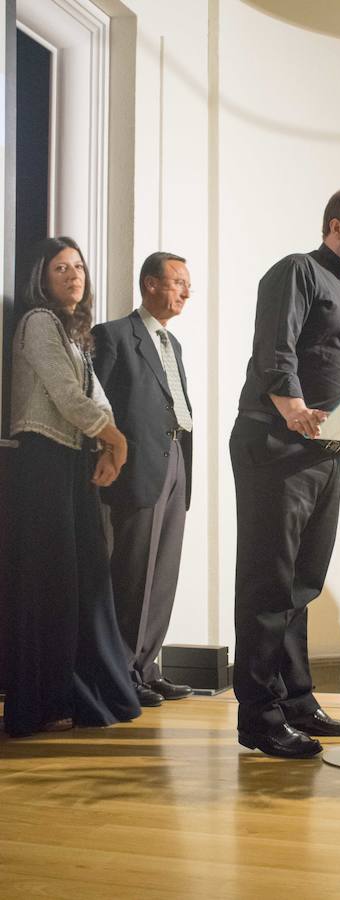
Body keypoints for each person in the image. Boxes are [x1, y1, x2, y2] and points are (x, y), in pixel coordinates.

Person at [230, 187, 340, 759]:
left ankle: (297, 700)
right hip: (275, 445)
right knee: (267, 583)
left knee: (302, 585)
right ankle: (259, 715)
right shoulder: (298, 272)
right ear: (337, 227)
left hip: (326, 452)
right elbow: (276, 349)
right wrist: (294, 408)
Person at [5, 236, 140, 737]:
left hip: (70, 459)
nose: (73, 275)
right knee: (53, 584)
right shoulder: (38, 322)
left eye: (79, 267)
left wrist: (108, 443)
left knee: (85, 580)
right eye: (60, 268)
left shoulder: (75, 332)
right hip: (41, 463)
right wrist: (116, 442)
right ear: (42, 277)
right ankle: (46, 700)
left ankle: (83, 693)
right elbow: (66, 396)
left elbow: (95, 396)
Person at [92, 252, 193, 707]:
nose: (186, 291)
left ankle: (147, 669)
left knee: (163, 573)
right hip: (136, 466)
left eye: (188, 283)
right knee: (132, 574)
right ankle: (120, 673)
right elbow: (99, 405)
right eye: (178, 282)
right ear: (150, 284)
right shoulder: (113, 335)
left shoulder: (175, 346)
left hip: (175, 459)